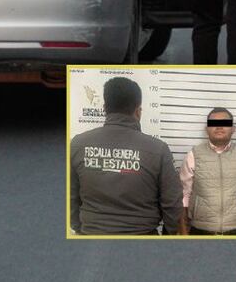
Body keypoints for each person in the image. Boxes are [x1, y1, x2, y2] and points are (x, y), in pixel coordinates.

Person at [70, 77, 183, 235]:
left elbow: (70, 197)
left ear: (104, 108)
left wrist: (80, 229)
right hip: (142, 238)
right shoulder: (158, 149)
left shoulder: (77, 144)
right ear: (138, 111)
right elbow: (172, 202)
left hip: (91, 237)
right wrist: (168, 235)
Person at [177, 108, 236, 235]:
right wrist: (184, 235)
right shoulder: (193, 155)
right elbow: (183, 195)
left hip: (235, 231)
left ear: (233, 129)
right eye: (214, 123)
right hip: (200, 231)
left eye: (225, 123)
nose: (219, 127)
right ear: (207, 129)